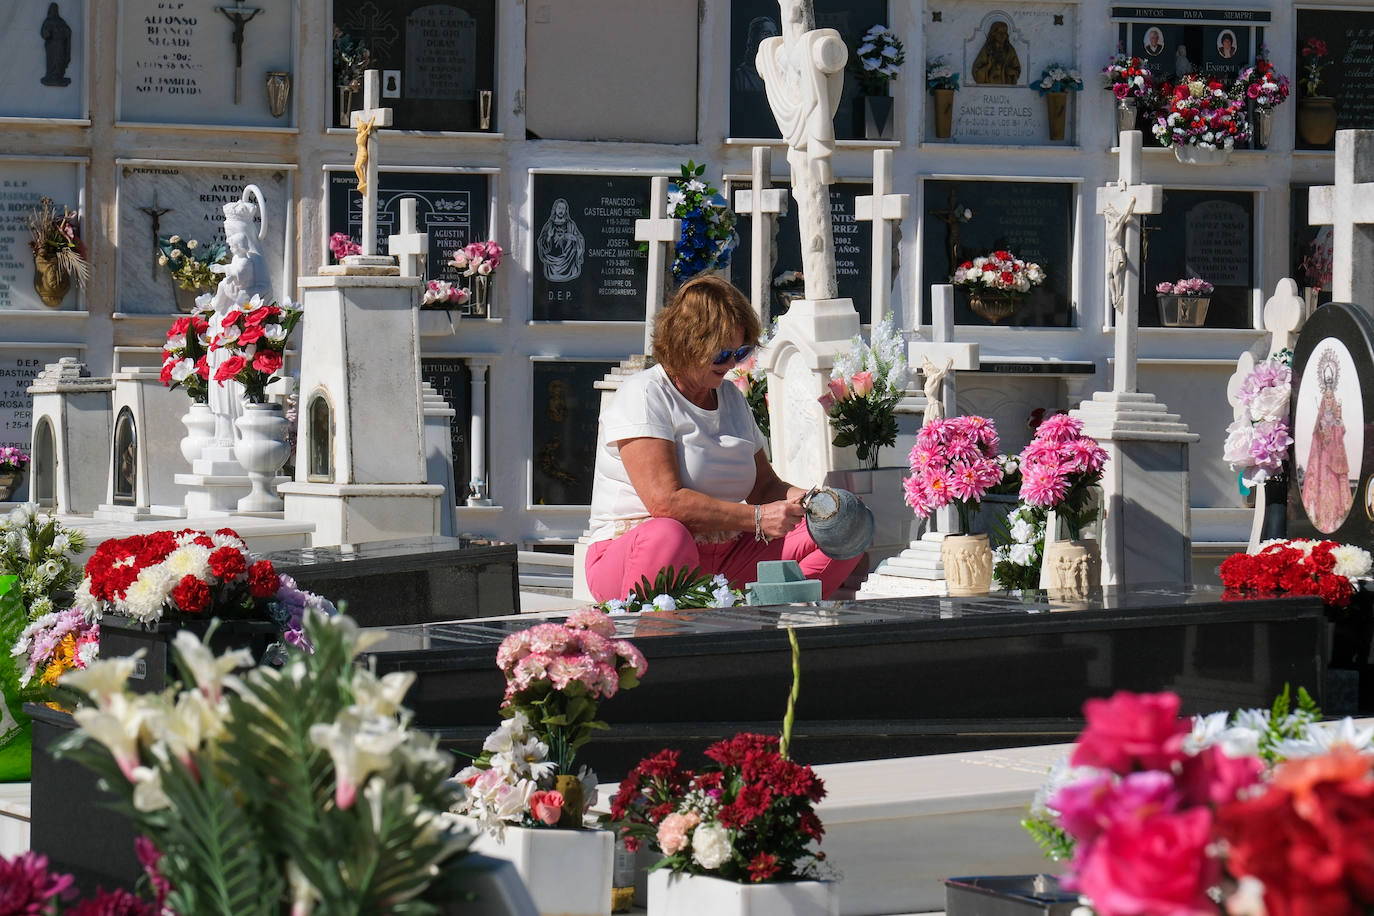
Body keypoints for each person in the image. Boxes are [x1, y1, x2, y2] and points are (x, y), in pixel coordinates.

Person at [584, 275, 862, 601]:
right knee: (668, 535)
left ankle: (762, 626)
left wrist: (819, 503)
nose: (732, 364)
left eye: (740, 352)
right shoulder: (645, 394)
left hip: (726, 557)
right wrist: (757, 519)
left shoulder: (730, 396)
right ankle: (654, 638)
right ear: (688, 343)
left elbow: (765, 488)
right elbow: (665, 503)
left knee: (844, 531)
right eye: (721, 355)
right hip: (639, 554)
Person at [1301, 351, 1352, 533]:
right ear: (1324, 399)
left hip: (1334, 461)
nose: (1329, 400)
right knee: (1323, 489)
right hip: (1323, 461)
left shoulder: (1337, 417)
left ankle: (1335, 519)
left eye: (1331, 397)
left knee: (1334, 489)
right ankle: (1323, 518)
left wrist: (1337, 422)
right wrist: (1322, 432)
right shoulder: (1320, 419)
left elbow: (1341, 432)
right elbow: (1317, 438)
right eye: (1327, 397)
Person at [537, 197, 585, 282]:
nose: (561, 210)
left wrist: (572, 237)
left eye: (563, 208)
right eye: (559, 208)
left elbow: (579, 239)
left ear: (566, 210)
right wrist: (549, 236)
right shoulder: (549, 225)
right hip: (553, 263)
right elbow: (542, 242)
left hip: (568, 262)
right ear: (555, 209)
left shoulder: (570, 225)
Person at [972, 21, 1021, 85]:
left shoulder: (1009, 50)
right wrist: (988, 66)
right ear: (993, 34)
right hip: (989, 84)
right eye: (1000, 33)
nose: (1003, 36)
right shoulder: (987, 49)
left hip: (1005, 84)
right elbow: (976, 72)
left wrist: (1012, 72)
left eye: (1005, 33)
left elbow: (1017, 69)